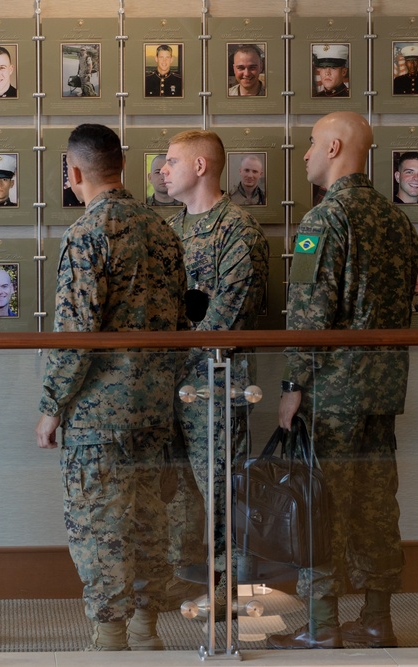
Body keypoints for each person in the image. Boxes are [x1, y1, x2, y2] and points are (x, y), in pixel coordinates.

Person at [267, 112, 418, 650]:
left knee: (321, 506)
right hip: (382, 391)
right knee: (378, 505)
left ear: (334, 148)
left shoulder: (322, 223)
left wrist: (292, 387)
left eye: (311, 145)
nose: (305, 155)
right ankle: (378, 618)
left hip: (332, 393)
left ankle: (323, 624)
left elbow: (308, 313)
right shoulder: (396, 221)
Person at [36, 122, 187, 651]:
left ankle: (109, 638)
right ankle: (148, 632)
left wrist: (52, 407)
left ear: (74, 172)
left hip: (98, 412)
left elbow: (77, 333)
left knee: (99, 526)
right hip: (155, 407)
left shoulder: (86, 234)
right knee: (149, 521)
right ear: (121, 167)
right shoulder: (164, 231)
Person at [160, 130, 270, 612]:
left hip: (215, 385)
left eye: (170, 161)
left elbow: (231, 315)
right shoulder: (168, 229)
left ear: (200, 167)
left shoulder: (238, 229)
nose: (162, 170)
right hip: (167, 382)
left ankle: (227, 583)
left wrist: (188, 323)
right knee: (177, 492)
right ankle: (184, 576)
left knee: (222, 488)